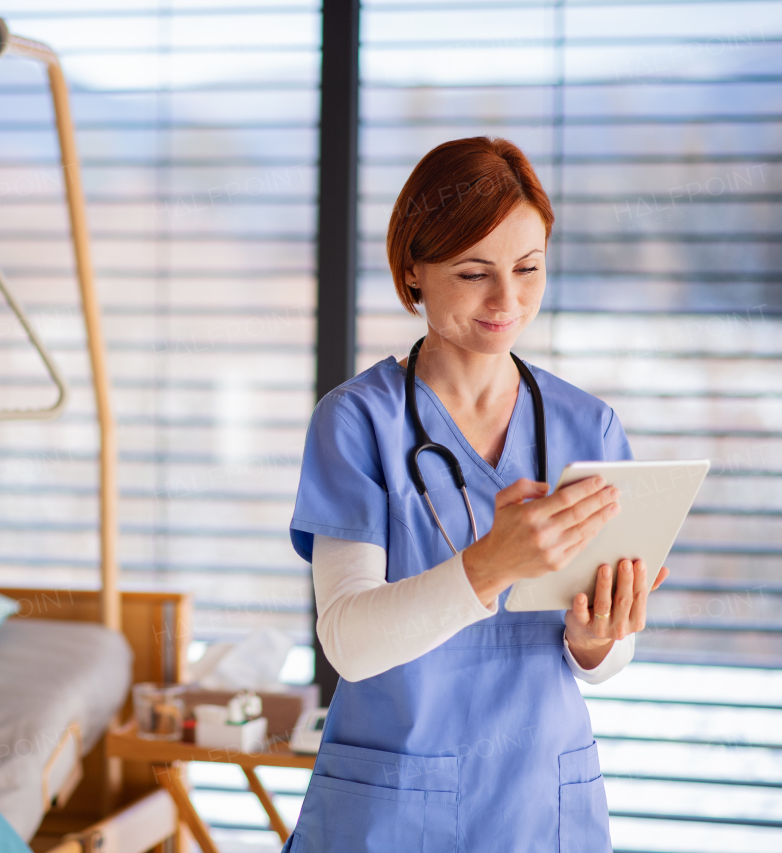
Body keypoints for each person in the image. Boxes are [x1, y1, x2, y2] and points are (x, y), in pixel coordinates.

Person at [285, 137, 667, 852]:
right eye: (473, 272)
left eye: (528, 268)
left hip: (539, 804)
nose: (508, 300)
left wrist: (596, 641)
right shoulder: (358, 422)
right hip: (392, 806)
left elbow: (610, 659)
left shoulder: (590, 426)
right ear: (413, 270)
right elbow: (349, 643)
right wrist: (491, 564)